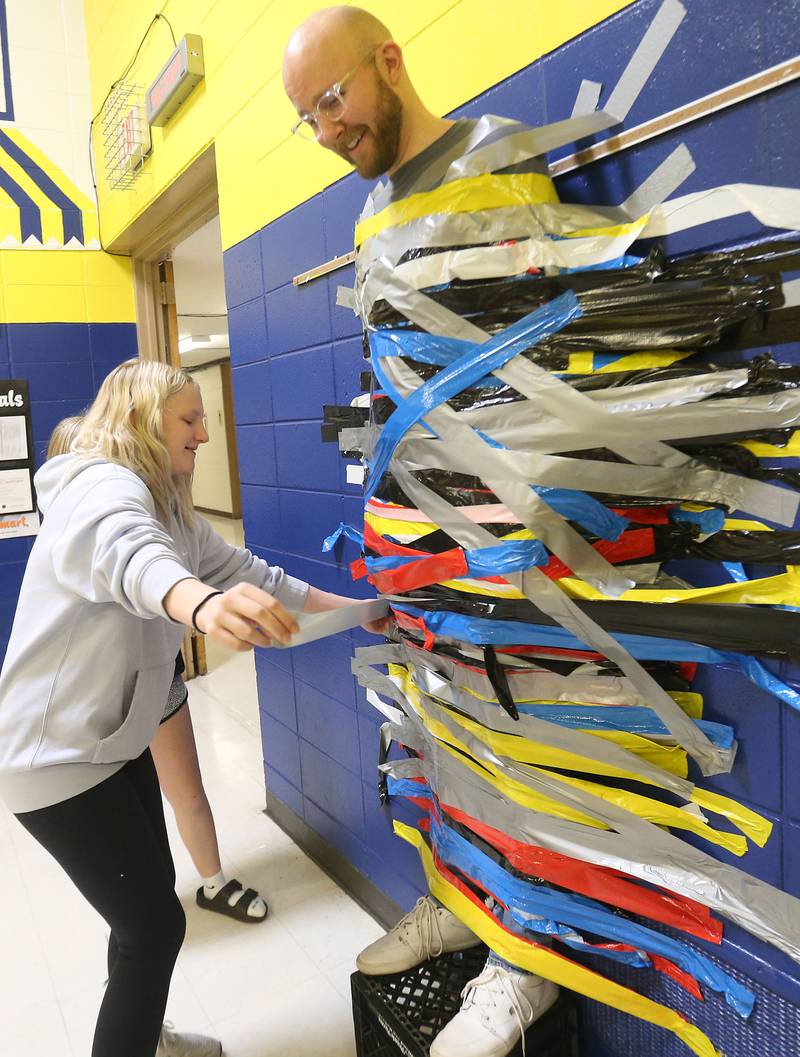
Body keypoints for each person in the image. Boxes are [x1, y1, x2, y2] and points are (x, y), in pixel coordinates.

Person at [283, 10, 560, 1057]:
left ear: (387, 62)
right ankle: (460, 901)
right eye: (304, 116)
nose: (322, 129)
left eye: (330, 100)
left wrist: (511, 526)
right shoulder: (367, 218)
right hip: (412, 536)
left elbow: (550, 357)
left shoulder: (498, 159)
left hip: (498, 536)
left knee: (522, 742)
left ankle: (520, 965)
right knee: (440, 739)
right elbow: (388, 375)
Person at [0, 358, 387, 1057]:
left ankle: (144, 1035)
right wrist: (203, 606)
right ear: (143, 418)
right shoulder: (101, 486)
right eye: (190, 418)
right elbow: (136, 559)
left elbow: (255, 575)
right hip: (53, 757)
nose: (205, 433)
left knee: (143, 915)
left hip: (111, 742)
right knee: (154, 926)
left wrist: (361, 612)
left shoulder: (170, 506)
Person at [48, 415, 268, 924]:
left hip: (159, 681)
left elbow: (151, 563)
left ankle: (211, 883)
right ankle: (137, 916)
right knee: (123, 825)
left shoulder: (158, 516)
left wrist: (204, 604)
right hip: (96, 700)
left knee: (183, 789)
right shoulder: (71, 533)